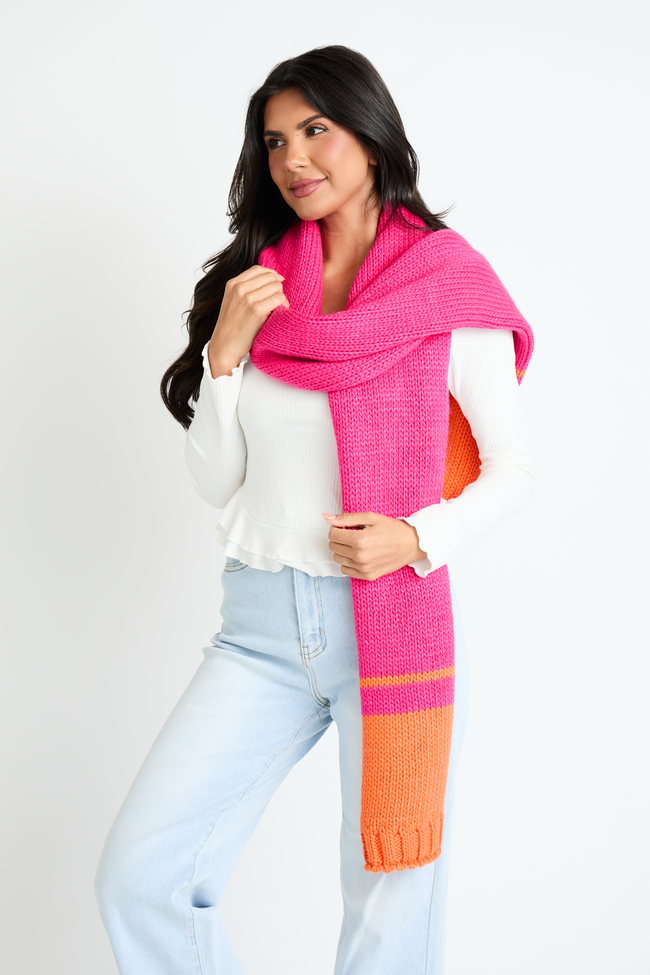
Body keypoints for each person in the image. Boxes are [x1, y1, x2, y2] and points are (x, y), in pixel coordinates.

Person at [94, 44, 534, 975]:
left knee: (389, 905)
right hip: (257, 626)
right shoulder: (261, 287)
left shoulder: (445, 285)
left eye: (315, 130)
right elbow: (218, 481)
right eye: (274, 141)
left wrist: (417, 535)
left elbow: (513, 469)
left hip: (389, 626)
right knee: (142, 874)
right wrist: (223, 356)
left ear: (370, 135)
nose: (293, 158)